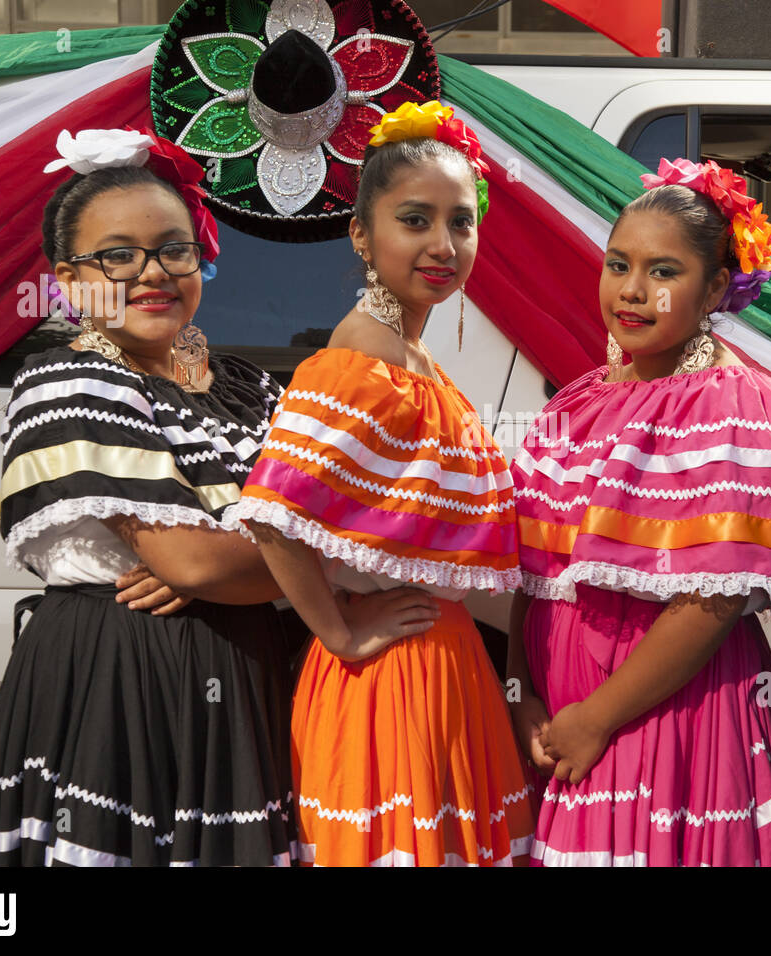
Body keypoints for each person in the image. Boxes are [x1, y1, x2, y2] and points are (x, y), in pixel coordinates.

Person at [0, 128, 302, 866]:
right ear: (69, 281)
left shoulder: (247, 386)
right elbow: (198, 562)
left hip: (249, 674)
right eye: (117, 255)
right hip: (123, 681)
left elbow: (333, 525)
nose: (152, 272)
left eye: (174, 248)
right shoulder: (70, 383)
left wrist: (255, 564)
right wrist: (300, 565)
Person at [224, 101, 536, 866]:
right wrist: (339, 628)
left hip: (439, 664)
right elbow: (273, 513)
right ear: (361, 234)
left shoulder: (410, 359)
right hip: (389, 675)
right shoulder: (360, 363)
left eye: (461, 222)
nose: (443, 244)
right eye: (415, 219)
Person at [507, 158, 771, 866]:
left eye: (664, 272)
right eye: (618, 264)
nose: (632, 292)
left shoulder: (737, 407)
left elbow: (714, 600)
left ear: (715, 291)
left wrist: (597, 718)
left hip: (677, 726)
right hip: (565, 733)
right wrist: (523, 697)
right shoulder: (572, 403)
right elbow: (537, 577)